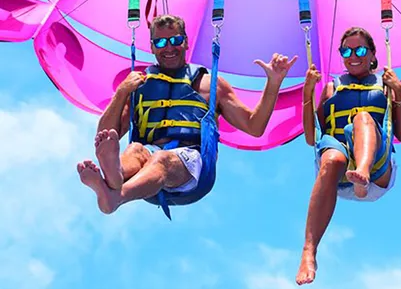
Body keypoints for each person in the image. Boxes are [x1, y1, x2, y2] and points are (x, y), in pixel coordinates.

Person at [76, 14, 297, 215]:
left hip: (192, 166)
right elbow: (105, 132)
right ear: (152, 48)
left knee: (160, 159)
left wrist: (273, 83)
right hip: (147, 161)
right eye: (161, 42)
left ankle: (116, 194)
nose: (169, 47)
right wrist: (122, 92)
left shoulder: (211, 85)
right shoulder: (140, 84)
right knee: (134, 149)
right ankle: (113, 178)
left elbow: (254, 126)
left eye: (175, 40)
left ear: (186, 42)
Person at [295, 26, 401, 285]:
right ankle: (309, 251)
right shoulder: (331, 89)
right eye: (345, 50)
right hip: (340, 169)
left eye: (359, 49)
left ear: (373, 54)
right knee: (332, 158)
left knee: (361, 119)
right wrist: (307, 93)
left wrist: (399, 93)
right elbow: (311, 137)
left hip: (378, 167)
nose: (352, 55)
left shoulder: (386, 86)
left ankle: (363, 173)